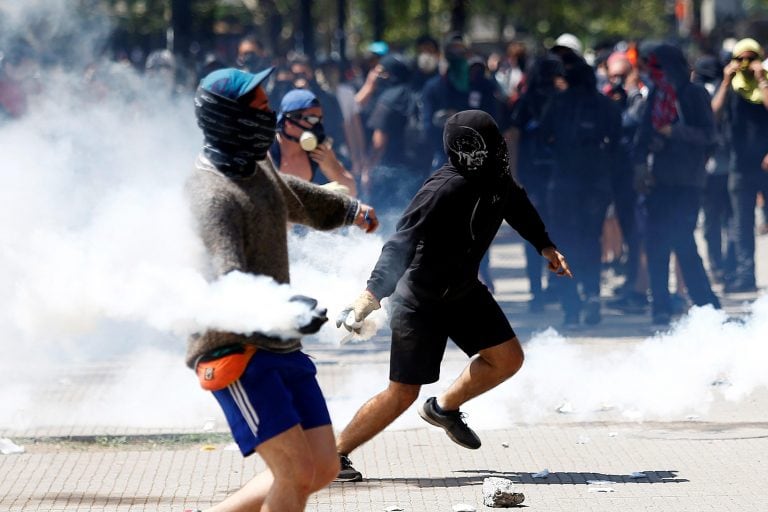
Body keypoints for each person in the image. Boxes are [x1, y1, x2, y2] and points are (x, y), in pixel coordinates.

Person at [333, 110, 572, 482]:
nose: (500, 148)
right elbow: (402, 242)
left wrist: (545, 245)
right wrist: (371, 294)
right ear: (468, 150)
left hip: (463, 291)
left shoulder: (497, 180)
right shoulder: (443, 187)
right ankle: (334, 455)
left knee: (507, 358)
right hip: (420, 300)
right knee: (402, 393)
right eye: (489, 143)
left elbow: (518, 205)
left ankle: (444, 408)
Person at [185, 67, 379, 511]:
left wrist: (348, 210)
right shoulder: (211, 195)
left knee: (322, 467)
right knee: (292, 473)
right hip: (235, 350)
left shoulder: (255, 164)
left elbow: (291, 194)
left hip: (279, 344)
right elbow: (226, 280)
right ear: (230, 117)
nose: (270, 113)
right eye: (259, 107)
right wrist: (282, 308)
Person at [633, 43, 721, 325]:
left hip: (688, 182)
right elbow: (643, 135)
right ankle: (660, 305)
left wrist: (676, 132)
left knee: (683, 243)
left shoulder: (693, 93)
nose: (656, 74)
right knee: (656, 244)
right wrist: (639, 167)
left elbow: (709, 136)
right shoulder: (657, 94)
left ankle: (706, 306)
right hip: (660, 182)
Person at [540, 57, 622, 326]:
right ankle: (592, 294)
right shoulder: (605, 105)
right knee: (591, 240)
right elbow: (617, 141)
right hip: (595, 182)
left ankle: (570, 305)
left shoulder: (557, 103)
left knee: (563, 243)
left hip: (564, 180)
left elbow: (543, 135)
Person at [711, 38, 768, 293]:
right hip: (739, 165)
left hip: (765, 163)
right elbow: (714, 114)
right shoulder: (730, 87)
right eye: (740, 59)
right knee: (741, 224)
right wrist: (725, 81)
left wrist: (762, 79)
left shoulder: (764, 83)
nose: (745, 64)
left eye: (750, 58)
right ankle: (745, 275)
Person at [270, 88, 357, 196]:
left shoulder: (318, 153)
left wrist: (333, 168)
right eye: (312, 120)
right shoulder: (267, 152)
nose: (317, 127)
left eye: (319, 120)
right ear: (289, 123)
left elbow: (351, 191)